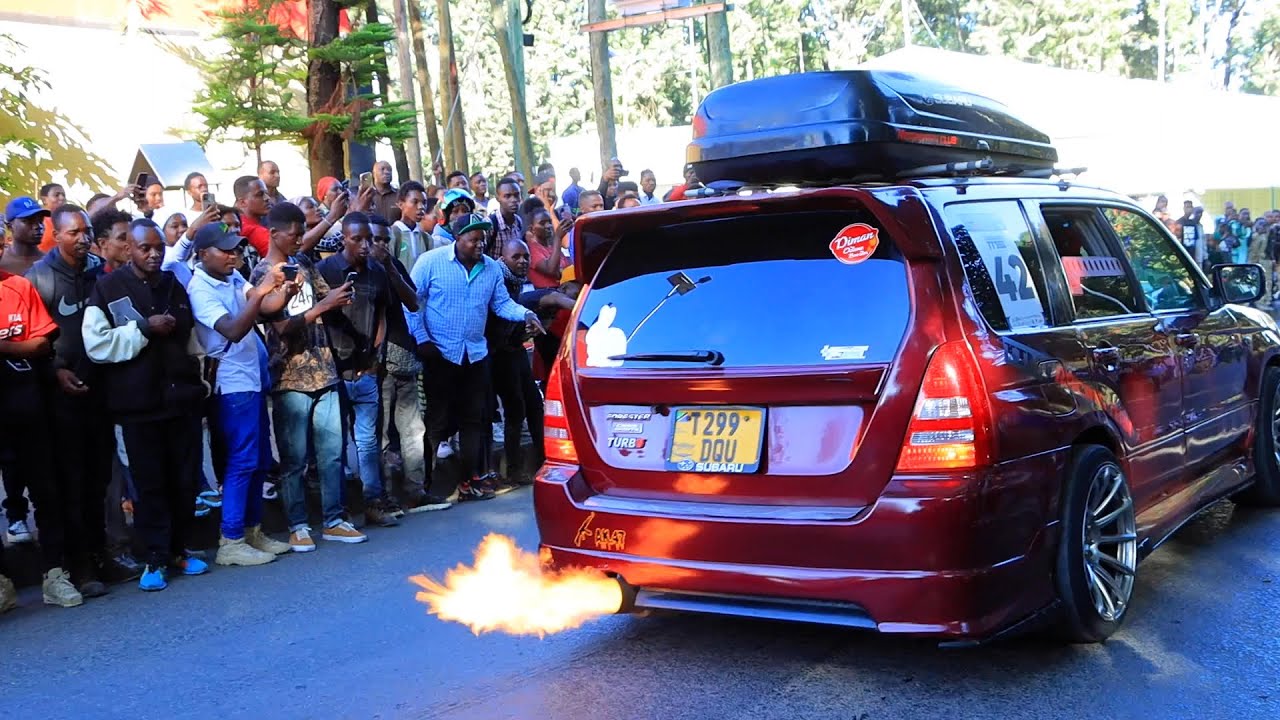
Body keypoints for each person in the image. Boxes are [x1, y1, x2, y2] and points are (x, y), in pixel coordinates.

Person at [82, 219, 210, 590]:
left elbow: (192, 340)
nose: (153, 254)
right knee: (150, 485)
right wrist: (142, 328)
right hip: (138, 407)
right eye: (144, 248)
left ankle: (179, 550)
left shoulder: (173, 284)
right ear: (129, 250)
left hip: (180, 401)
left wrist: (199, 381)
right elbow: (97, 344)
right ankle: (155, 558)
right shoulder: (107, 288)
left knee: (184, 482)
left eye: (158, 247)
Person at [27, 205, 139, 598]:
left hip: (100, 391)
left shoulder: (98, 271)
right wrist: (56, 370)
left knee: (99, 480)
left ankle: (102, 554)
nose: (82, 238)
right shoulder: (39, 277)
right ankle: (79, 565)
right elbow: (33, 338)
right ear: (56, 235)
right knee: (71, 483)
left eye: (86, 231)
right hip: (61, 397)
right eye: (73, 232)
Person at [251, 202, 367, 550]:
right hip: (290, 377)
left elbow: (322, 296)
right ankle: (297, 525)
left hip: (325, 369)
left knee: (332, 454)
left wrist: (337, 298)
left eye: (302, 233)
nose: (300, 240)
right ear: (274, 234)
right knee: (294, 459)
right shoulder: (262, 274)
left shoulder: (302, 261)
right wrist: (323, 306)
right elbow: (281, 326)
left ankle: (334, 520)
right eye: (294, 234)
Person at [409, 212, 546, 501]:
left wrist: (526, 313)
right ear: (457, 238)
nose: (479, 244)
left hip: (475, 355)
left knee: (473, 420)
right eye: (473, 239)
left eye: (482, 239)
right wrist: (422, 339)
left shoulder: (491, 269)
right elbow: (412, 303)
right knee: (438, 421)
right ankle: (430, 485)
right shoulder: (430, 262)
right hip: (440, 354)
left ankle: (470, 479)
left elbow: (502, 303)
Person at [187, 224, 294, 566]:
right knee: (242, 461)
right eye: (224, 250)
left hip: (251, 378)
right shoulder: (199, 288)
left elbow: (264, 306)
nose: (232, 255)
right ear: (203, 254)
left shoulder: (231, 276)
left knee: (259, 459)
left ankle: (252, 531)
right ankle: (231, 540)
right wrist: (262, 291)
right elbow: (233, 330)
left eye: (234, 249)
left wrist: (284, 290)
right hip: (231, 384)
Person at [0, 230, 84, 607]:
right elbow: (27, 345)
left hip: (29, 408)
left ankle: (55, 574)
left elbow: (41, 343)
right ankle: (3, 582)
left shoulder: (18, 286)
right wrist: (16, 347)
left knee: (47, 493)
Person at [316, 212, 401, 527]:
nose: (365, 246)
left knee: (367, 443)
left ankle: (373, 503)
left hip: (366, 371)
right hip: (334, 372)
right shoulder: (326, 270)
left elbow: (382, 314)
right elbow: (314, 316)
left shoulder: (377, 272)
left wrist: (376, 355)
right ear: (344, 239)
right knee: (334, 447)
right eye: (357, 239)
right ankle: (336, 514)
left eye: (368, 239)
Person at [367, 215, 450, 512]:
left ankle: (416, 491)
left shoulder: (392, 265)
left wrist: (390, 267)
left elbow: (413, 302)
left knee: (413, 430)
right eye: (374, 240)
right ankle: (384, 496)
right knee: (380, 435)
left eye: (384, 240)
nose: (380, 245)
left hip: (403, 357)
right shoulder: (359, 271)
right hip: (375, 364)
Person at [488, 237, 567, 485]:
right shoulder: (497, 279)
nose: (522, 261)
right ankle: (513, 469)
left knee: (533, 405)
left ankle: (545, 462)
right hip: (498, 352)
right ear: (503, 259)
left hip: (514, 348)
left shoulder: (516, 280)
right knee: (515, 409)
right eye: (516, 257)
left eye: (525, 257)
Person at [2, 197, 49, 276]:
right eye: (29, 221)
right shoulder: (2, 261)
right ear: (9, 226)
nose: (38, 226)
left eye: (40, 221)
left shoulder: (51, 263)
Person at [391, 180, 430, 269]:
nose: (421, 207)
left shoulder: (426, 238)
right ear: (401, 204)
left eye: (424, 202)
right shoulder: (392, 235)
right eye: (415, 202)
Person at [526, 206, 566, 289]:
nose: (548, 226)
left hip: (562, 289)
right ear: (531, 229)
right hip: (546, 292)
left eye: (550, 222)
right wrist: (558, 237)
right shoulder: (532, 249)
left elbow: (564, 271)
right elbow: (551, 270)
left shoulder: (553, 247)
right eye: (542, 223)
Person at [234, 175, 273, 257]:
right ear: (242, 202)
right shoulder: (258, 232)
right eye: (260, 194)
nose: (267, 198)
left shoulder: (232, 224)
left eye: (267, 193)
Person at [487, 177, 524, 260]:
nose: (513, 200)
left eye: (516, 195)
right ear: (498, 198)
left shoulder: (518, 221)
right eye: (507, 196)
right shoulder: (490, 223)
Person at [1175, 201, 1206, 269]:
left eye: (1190, 207)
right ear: (1184, 208)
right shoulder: (1179, 222)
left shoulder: (1193, 223)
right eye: (1187, 207)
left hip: (1192, 254)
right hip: (1183, 253)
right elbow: (1177, 238)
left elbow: (1197, 241)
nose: (1189, 209)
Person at [37, 182, 66, 253]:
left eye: (63, 195)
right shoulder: (38, 221)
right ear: (44, 200)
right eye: (56, 195)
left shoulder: (69, 220)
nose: (62, 198)